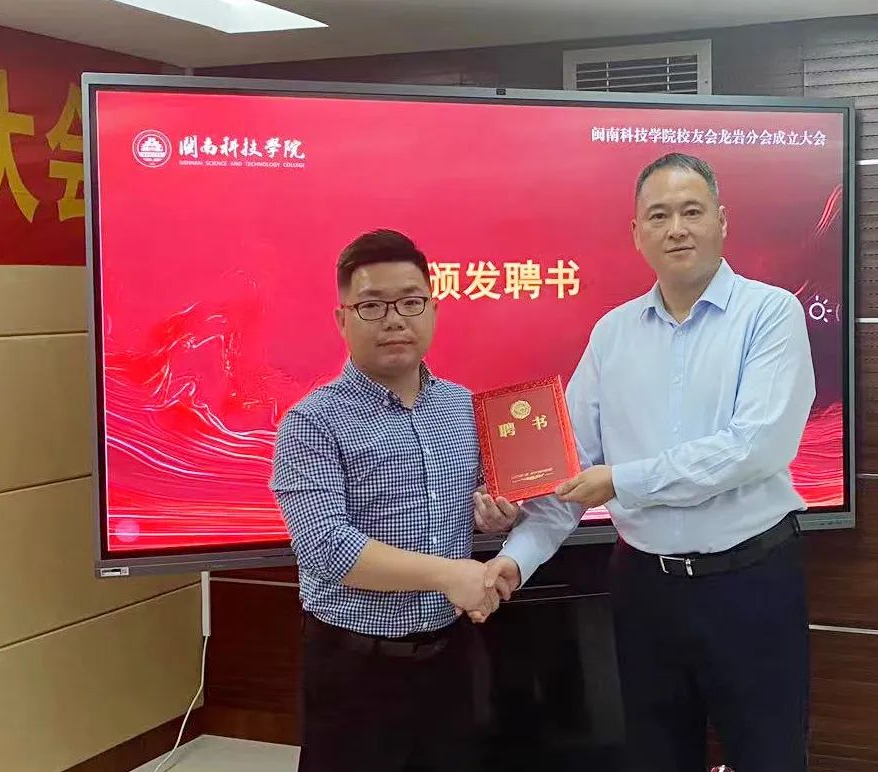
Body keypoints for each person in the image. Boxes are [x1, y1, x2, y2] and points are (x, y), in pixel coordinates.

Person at [475, 152, 816, 772]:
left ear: (722, 221)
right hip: (644, 590)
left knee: (769, 756)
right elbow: (568, 471)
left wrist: (621, 482)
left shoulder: (770, 314)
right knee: (655, 756)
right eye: (658, 216)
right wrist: (513, 558)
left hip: (750, 583)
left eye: (692, 212)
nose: (676, 229)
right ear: (636, 233)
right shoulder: (612, 335)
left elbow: (754, 447)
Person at [270, 229, 498, 772]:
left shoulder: (463, 407)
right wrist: (448, 574)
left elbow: (471, 513)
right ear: (342, 319)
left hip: (452, 656)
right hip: (355, 668)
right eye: (372, 305)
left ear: (434, 310)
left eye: (410, 302)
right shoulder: (311, 422)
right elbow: (327, 548)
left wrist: (493, 516)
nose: (395, 320)